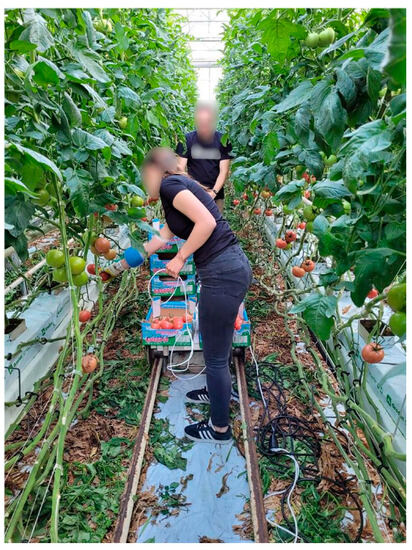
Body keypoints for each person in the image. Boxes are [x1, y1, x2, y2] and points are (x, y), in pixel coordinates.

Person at [106, 147, 252, 443]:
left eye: (143, 174)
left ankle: (220, 429)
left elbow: (207, 223)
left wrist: (181, 257)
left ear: (155, 169)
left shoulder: (171, 185)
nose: (143, 182)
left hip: (222, 274)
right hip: (228, 269)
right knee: (217, 346)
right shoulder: (176, 194)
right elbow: (156, 242)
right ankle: (216, 392)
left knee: (214, 356)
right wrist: (115, 268)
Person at [176, 102, 233, 213]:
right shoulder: (186, 140)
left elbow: (224, 171)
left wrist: (213, 193)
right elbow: (180, 169)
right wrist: (193, 191)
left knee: (216, 222)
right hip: (193, 194)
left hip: (216, 194)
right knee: (193, 221)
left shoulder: (223, 140)